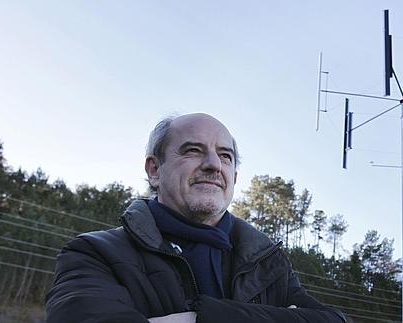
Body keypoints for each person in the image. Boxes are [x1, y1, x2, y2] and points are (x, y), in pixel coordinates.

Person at [46, 113, 346, 323]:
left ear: (234, 176)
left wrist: (200, 318)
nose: (214, 164)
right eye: (193, 150)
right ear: (154, 170)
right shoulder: (95, 253)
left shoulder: (268, 264)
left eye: (225, 156)